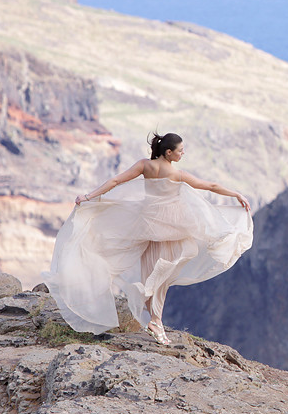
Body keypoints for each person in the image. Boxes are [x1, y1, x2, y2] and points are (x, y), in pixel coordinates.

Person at [44, 132, 253, 345]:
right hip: (171, 227)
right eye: (180, 150)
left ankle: (152, 313)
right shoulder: (176, 173)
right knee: (162, 273)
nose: (183, 153)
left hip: (148, 224)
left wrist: (89, 196)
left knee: (155, 271)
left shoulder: (145, 166)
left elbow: (116, 180)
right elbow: (211, 186)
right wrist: (236, 194)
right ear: (169, 152)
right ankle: (155, 320)